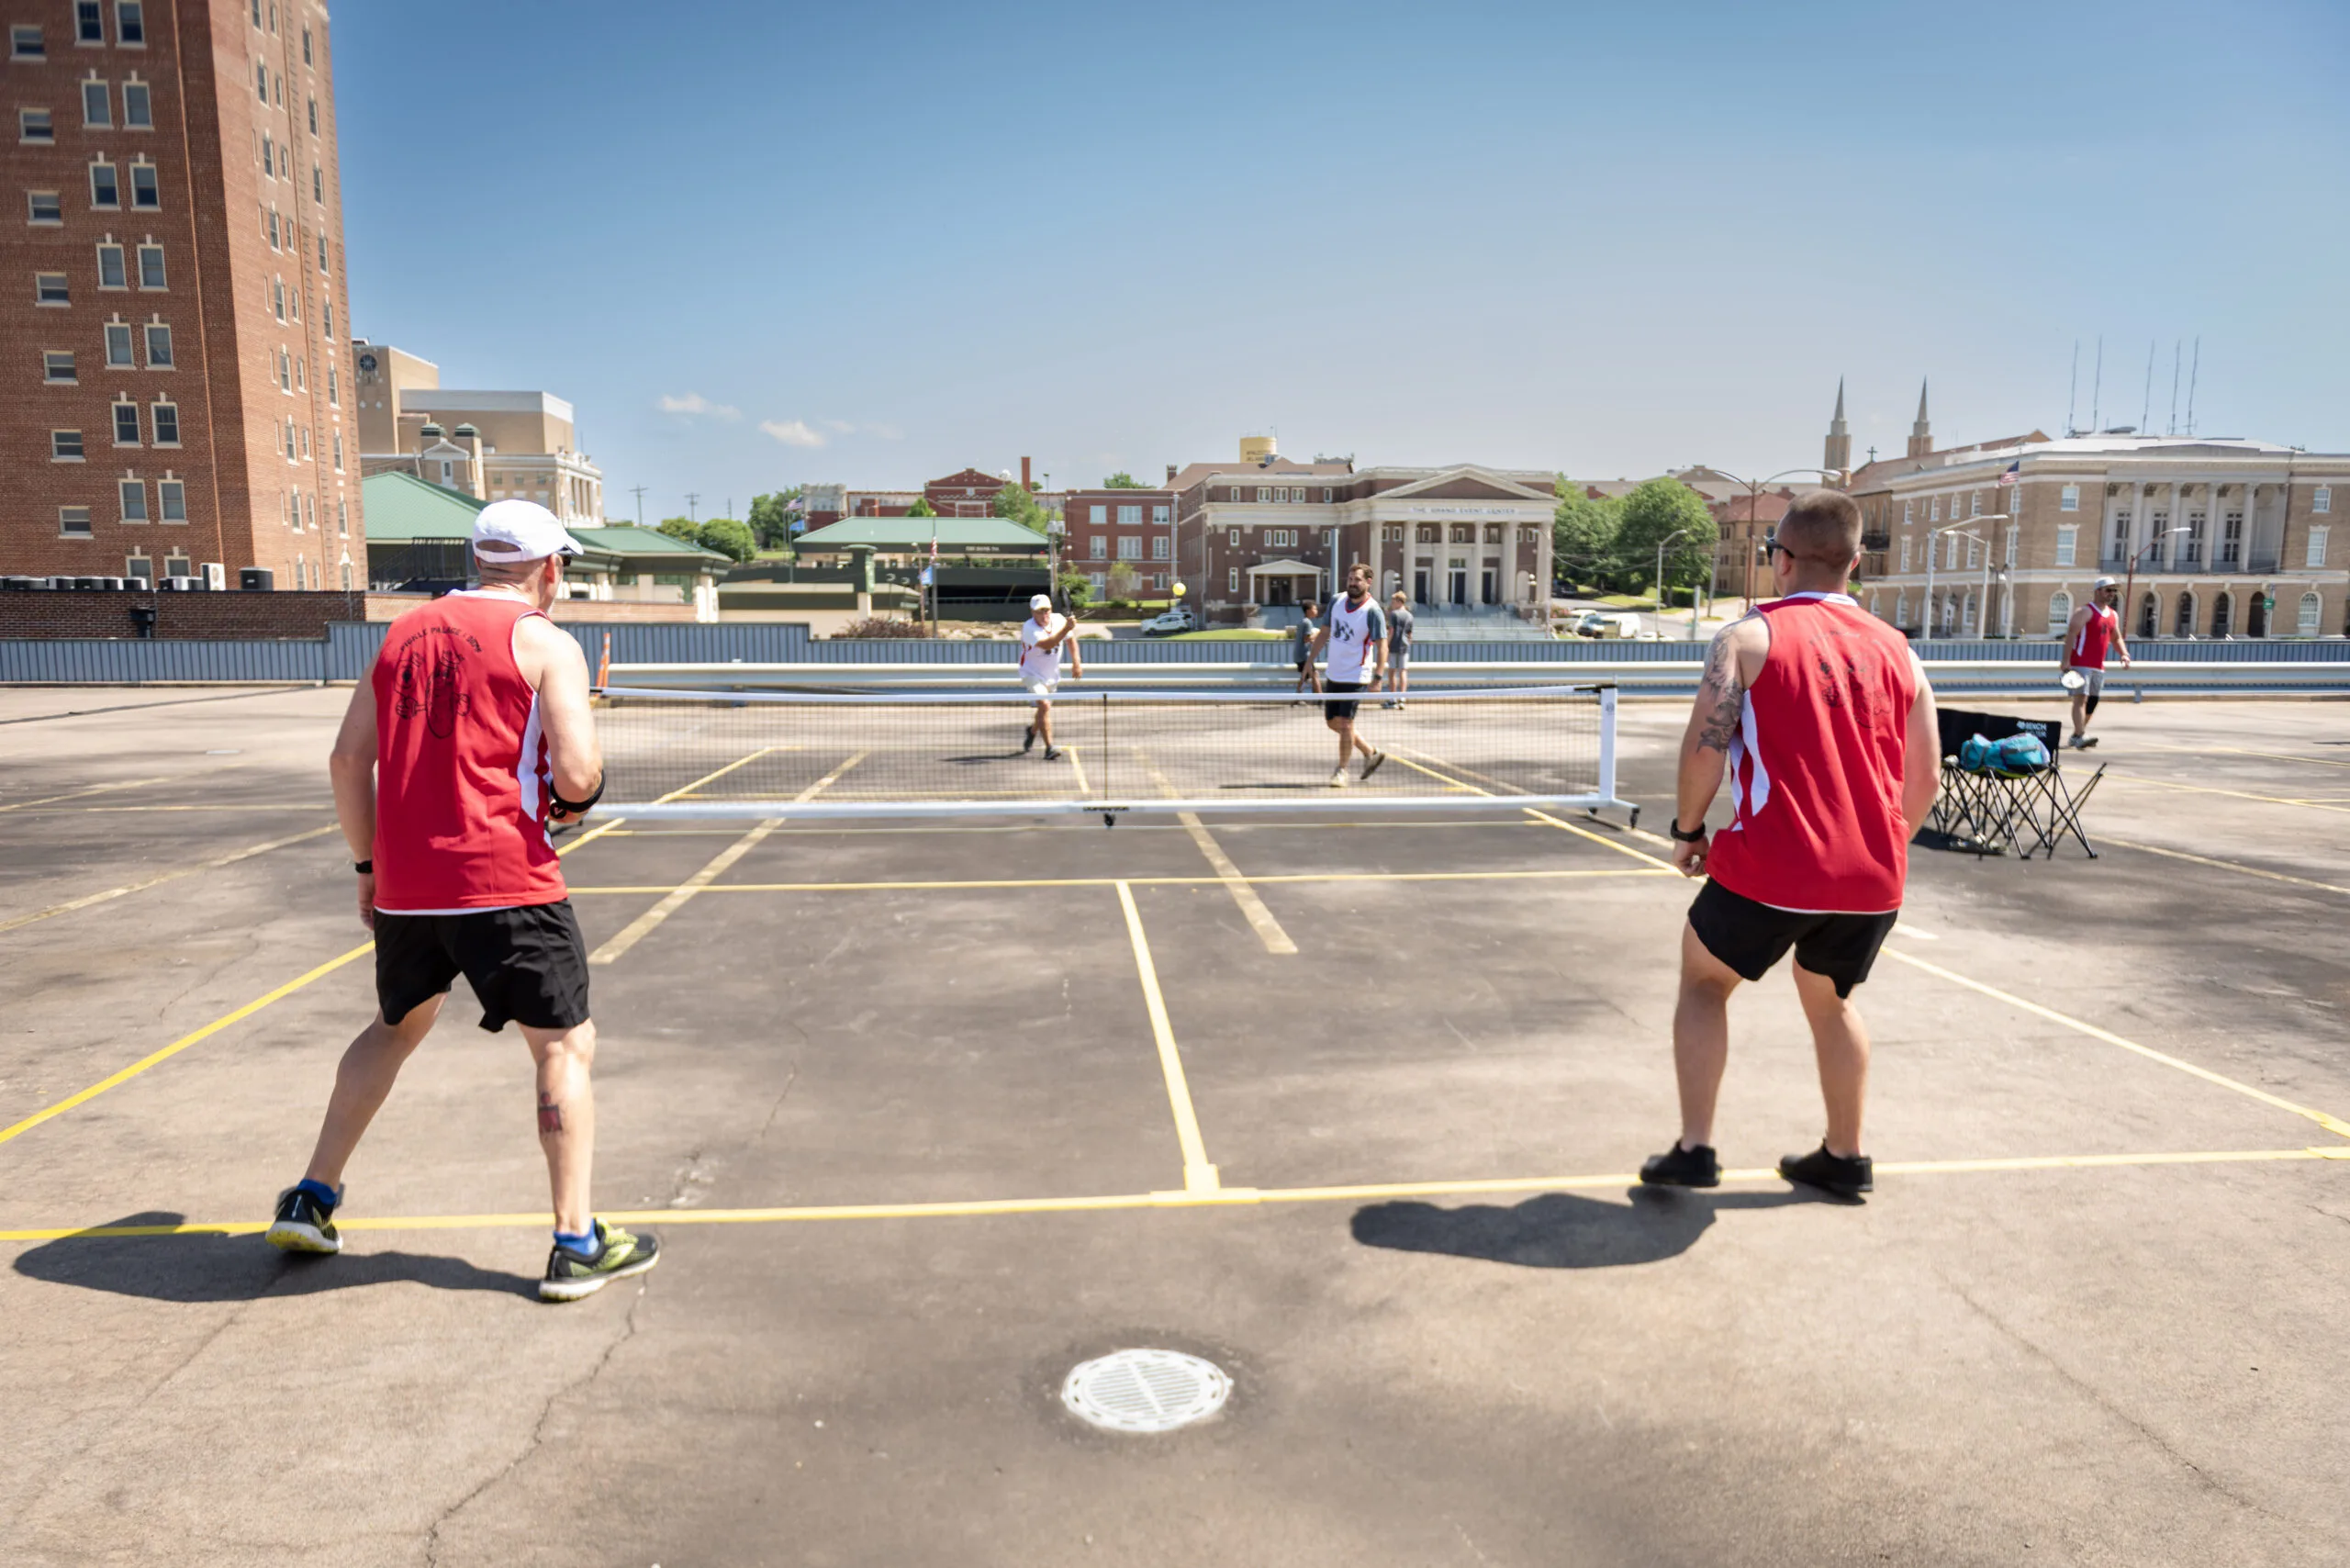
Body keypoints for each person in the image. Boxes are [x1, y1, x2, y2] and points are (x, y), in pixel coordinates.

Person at [265, 500, 660, 1302]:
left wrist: (368, 866)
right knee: (563, 1047)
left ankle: (312, 1196)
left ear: (480, 558)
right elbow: (577, 773)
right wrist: (580, 800)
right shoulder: (544, 641)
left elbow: (347, 761)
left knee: (394, 1028)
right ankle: (576, 1242)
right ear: (550, 568)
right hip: (507, 880)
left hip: (409, 886)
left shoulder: (401, 634)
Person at [1638, 491, 1940, 1201]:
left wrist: (1688, 831)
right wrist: (1881, 848)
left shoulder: (1745, 638)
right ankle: (1845, 1154)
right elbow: (1925, 778)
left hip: (1775, 864)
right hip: (1872, 877)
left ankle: (1695, 1148)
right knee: (1832, 1002)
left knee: (1705, 982)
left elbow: (1705, 746)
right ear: (1855, 564)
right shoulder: (1901, 650)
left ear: (1780, 560)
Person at [1311, 563, 1389, 788]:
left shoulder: (1372, 611)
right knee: (1332, 722)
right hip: (1334, 673)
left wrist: (1378, 676)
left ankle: (1342, 770)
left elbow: (1382, 645)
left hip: (1356, 675)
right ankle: (1370, 752)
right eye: (1350, 579)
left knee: (1346, 724)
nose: (1353, 583)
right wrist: (1309, 661)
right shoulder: (1336, 601)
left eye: (1358, 580)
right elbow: (1324, 632)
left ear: (1368, 582)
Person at [2061, 577, 2129, 748]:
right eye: (2108, 590)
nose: (2111, 594)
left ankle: (2077, 734)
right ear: (2098, 591)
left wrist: (2124, 654)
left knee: (2092, 701)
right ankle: (2080, 735)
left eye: (2114, 591)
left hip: (2098, 665)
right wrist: (2066, 660)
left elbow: (2116, 638)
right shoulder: (2085, 611)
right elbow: (2071, 634)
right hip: (2080, 663)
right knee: (2081, 699)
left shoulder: (2113, 615)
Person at [1019, 592, 1083, 760]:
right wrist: (1067, 628)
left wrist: (1076, 662)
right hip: (1031, 673)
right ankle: (1049, 748)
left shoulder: (1059, 620)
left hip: (1051, 675)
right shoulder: (1029, 628)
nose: (1043, 615)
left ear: (1051, 609)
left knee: (1043, 709)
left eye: (1046, 610)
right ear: (1032, 612)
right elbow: (1048, 644)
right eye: (1039, 611)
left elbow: (1070, 640)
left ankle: (1032, 731)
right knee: (1044, 705)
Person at [1382, 590, 1415, 709]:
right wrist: (1408, 642)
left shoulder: (1394, 614)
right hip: (1404, 646)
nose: (1392, 604)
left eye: (1393, 601)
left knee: (1392, 672)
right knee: (1403, 671)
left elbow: (1391, 631)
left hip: (1394, 645)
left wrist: (1386, 645)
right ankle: (1402, 698)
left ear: (1399, 601)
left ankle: (1393, 698)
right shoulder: (1410, 615)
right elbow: (1410, 634)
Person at [1292, 600, 1322, 694]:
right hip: (1304, 656)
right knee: (1315, 675)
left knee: (1305, 677)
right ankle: (1320, 698)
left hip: (1299, 655)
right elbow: (1306, 639)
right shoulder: (1308, 623)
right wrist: (1319, 633)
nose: (1316, 611)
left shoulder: (1302, 621)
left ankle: (1298, 697)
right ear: (1308, 611)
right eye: (1314, 609)